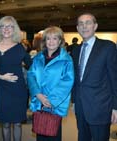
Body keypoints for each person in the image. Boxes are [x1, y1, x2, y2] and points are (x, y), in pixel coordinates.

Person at [71, 13, 117, 141]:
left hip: (101, 108)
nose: (84, 26)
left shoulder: (108, 47)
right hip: (80, 107)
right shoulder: (75, 50)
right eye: (81, 23)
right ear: (77, 28)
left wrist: (115, 107)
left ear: (95, 26)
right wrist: (74, 101)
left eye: (88, 23)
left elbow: (115, 79)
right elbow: (76, 79)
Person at [27, 26, 74, 141]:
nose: (51, 41)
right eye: (48, 39)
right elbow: (31, 75)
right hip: (39, 102)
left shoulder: (66, 59)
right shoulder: (38, 57)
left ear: (60, 41)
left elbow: (67, 81)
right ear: (44, 41)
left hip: (54, 104)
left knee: (53, 134)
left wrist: (49, 100)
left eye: (55, 38)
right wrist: (38, 94)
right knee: (40, 134)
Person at [0, 16, 32, 141]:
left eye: (9, 26)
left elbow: (32, 65)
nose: (6, 29)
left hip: (19, 90)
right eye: (3, 26)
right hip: (3, 90)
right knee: (6, 124)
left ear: (14, 29)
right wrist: (2, 77)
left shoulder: (19, 47)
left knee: (18, 123)